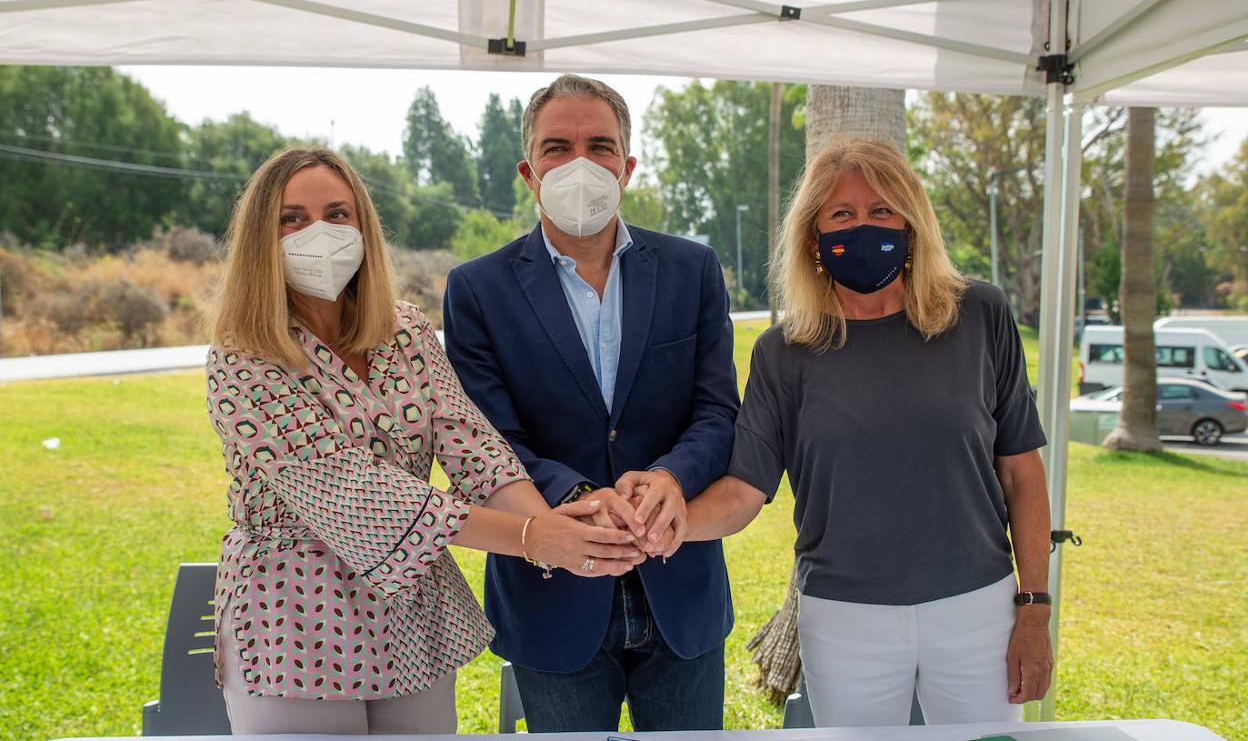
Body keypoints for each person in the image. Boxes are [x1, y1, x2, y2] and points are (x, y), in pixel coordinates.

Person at [204, 147, 642, 735]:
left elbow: (475, 449)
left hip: (409, 620)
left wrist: (565, 528)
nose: (320, 233)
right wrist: (537, 538)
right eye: (293, 218)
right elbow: (359, 495)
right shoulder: (242, 355)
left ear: (363, 226)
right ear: (261, 235)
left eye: (338, 214)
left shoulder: (402, 329)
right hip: (296, 622)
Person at [676, 138, 1054, 727]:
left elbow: (1022, 473)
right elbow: (741, 493)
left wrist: (1034, 607)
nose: (864, 226)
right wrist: (657, 529)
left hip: (978, 607)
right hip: (843, 617)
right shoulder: (783, 353)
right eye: (842, 215)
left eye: (882, 211)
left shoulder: (980, 315)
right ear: (814, 237)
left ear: (911, 221)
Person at [442, 74, 740, 732]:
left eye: (600, 145)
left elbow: (718, 412)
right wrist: (575, 493)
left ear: (627, 167)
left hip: (680, 591)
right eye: (557, 147)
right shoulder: (477, 289)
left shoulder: (691, 270)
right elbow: (485, 441)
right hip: (552, 601)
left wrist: (672, 476)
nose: (580, 163)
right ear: (529, 171)